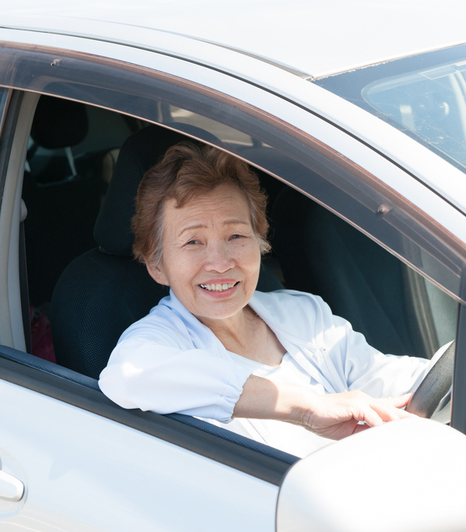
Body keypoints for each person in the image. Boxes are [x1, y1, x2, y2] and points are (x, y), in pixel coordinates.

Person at [99, 141, 435, 456]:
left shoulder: (303, 314)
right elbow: (126, 376)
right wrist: (305, 407)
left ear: (260, 243)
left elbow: (384, 378)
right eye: (193, 242)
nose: (220, 262)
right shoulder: (158, 342)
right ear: (157, 265)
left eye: (236, 235)